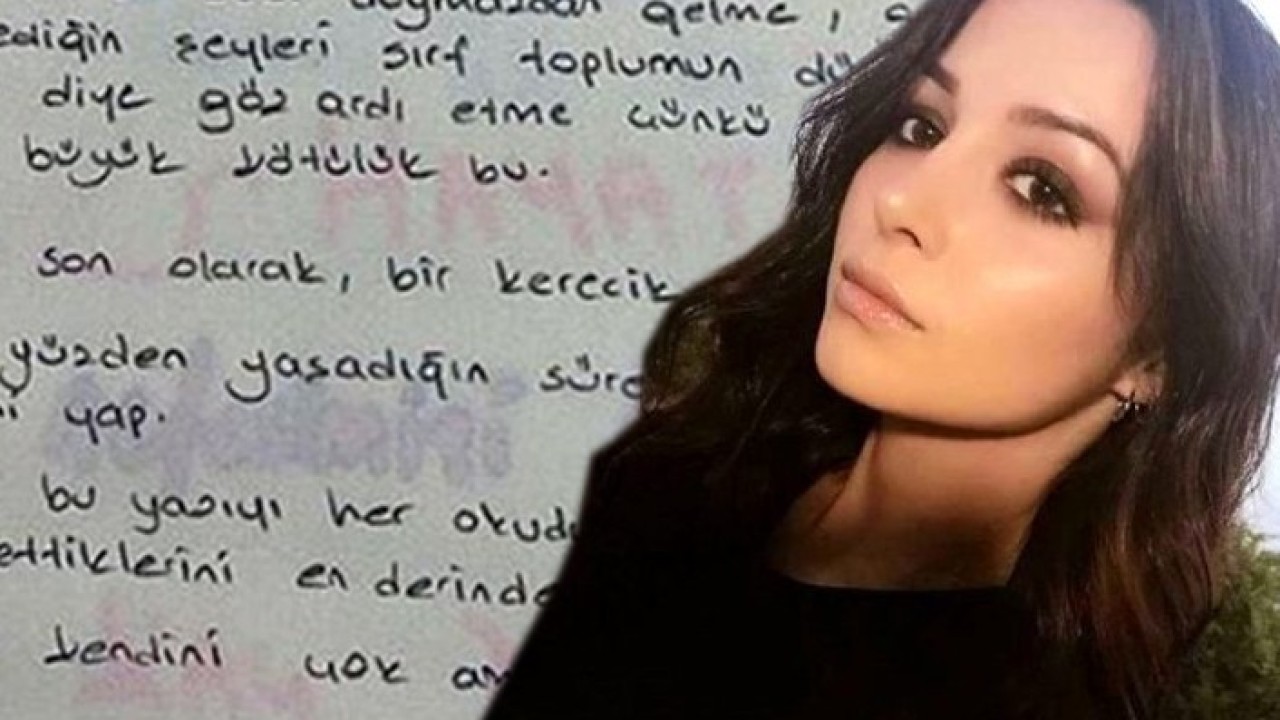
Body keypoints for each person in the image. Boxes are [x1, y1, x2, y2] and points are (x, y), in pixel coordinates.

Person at [482, 0, 1280, 717]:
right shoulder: (667, 479)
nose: (900, 199)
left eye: (1042, 188)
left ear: (1160, 353)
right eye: (922, 125)